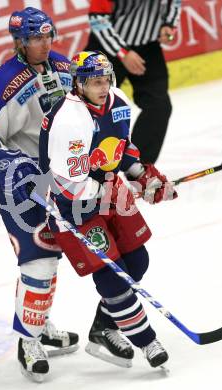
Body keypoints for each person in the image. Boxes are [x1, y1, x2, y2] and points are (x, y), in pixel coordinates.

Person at [38, 51, 177, 368]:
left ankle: (104, 328)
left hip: (106, 189)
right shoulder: (68, 122)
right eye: (95, 82)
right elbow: (70, 187)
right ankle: (147, 342)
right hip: (71, 206)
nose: (103, 87)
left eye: (106, 80)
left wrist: (143, 176)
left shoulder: (116, 101)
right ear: (79, 84)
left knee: (137, 260)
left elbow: (121, 148)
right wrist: (115, 188)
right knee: (112, 278)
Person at [0, 7, 78, 382]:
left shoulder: (63, 67)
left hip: (61, 176)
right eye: (36, 38)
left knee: (55, 253)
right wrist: (13, 164)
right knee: (38, 259)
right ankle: (27, 340)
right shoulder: (5, 80)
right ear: (20, 42)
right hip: (21, 183)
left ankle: (40, 321)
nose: (45, 44)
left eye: (49, 36)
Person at [85, 0, 182, 164]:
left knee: (159, 106)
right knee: (89, 110)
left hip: (147, 45)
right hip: (107, 45)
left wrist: (169, 24)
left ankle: (138, 167)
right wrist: (123, 52)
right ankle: (84, 170)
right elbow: (98, 19)